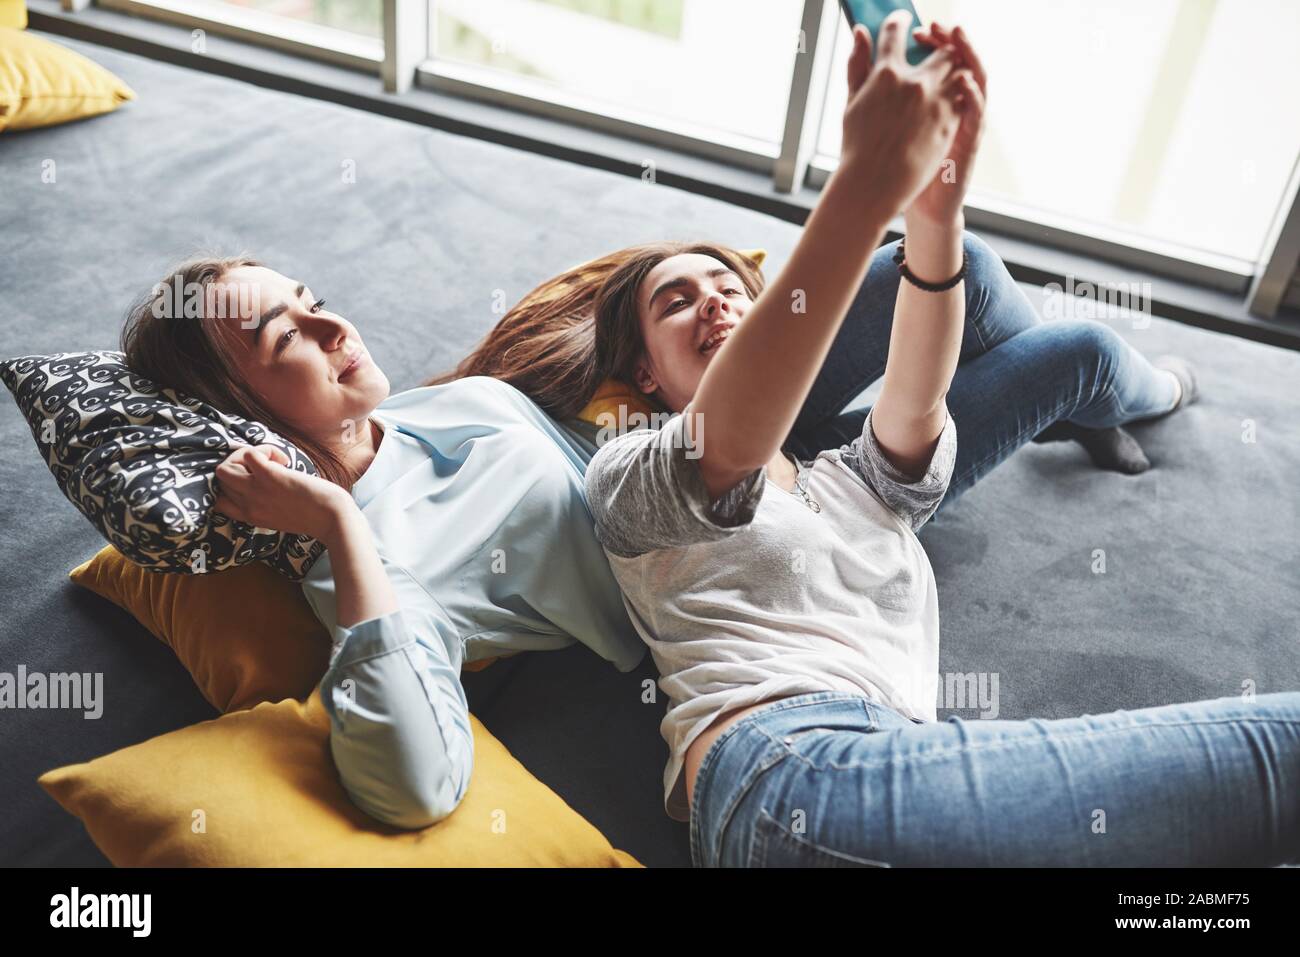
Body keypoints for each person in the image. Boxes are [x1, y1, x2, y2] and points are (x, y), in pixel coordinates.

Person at [581, 14, 1300, 866]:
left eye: (732, 287)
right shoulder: (625, 470)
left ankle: (1142, 395)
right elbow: (725, 447)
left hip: (867, 762)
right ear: (648, 378)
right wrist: (864, 181)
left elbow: (917, 396)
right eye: (676, 302)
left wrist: (937, 209)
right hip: (793, 774)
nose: (714, 302)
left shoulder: (843, 479)